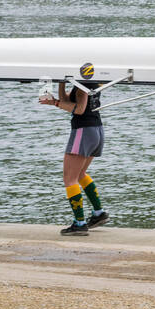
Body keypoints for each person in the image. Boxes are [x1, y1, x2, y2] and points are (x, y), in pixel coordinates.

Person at [39, 66, 109, 236]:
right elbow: (69, 101)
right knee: (80, 174)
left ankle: (80, 223)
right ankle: (99, 214)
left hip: (83, 131)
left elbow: (79, 109)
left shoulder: (83, 86)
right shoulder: (88, 82)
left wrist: (54, 103)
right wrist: (61, 83)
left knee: (69, 178)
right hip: (96, 131)